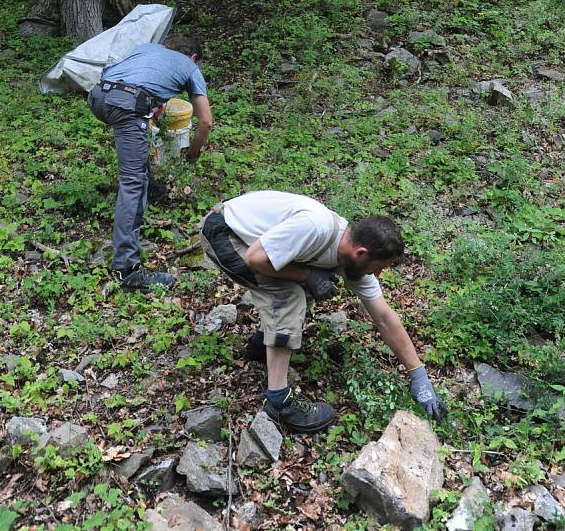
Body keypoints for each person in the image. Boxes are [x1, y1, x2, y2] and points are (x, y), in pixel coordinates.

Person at [199, 191, 446, 433]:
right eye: (378, 268)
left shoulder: (351, 258)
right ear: (362, 253)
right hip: (225, 231)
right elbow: (255, 258)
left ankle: (262, 345)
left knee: (308, 286)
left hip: (253, 240)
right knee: (289, 295)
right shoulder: (316, 228)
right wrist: (307, 275)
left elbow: (383, 316)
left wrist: (418, 376)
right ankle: (278, 403)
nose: (376, 275)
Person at [88, 36, 213, 292]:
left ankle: (152, 189)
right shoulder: (190, 67)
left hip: (98, 96)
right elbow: (206, 122)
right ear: (194, 57)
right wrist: (194, 152)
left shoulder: (148, 49)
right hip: (127, 105)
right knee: (131, 183)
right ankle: (128, 271)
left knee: (136, 157)